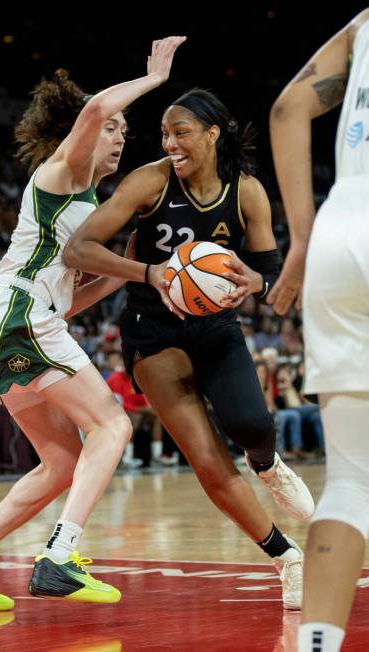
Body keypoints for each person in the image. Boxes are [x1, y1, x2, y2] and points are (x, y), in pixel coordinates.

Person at [0, 35, 186, 611]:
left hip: (10, 318)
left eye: (125, 129)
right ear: (85, 132)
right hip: (14, 312)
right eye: (115, 127)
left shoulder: (89, 206)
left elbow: (67, 306)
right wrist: (154, 77)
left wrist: (130, 268)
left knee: (63, 463)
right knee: (114, 427)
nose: (120, 134)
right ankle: (61, 556)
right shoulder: (63, 173)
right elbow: (95, 107)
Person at [63, 88, 316, 608]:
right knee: (204, 456)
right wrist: (149, 273)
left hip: (216, 324)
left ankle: (267, 464)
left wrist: (256, 283)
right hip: (152, 331)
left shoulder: (246, 192)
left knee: (251, 425)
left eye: (180, 132)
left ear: (212, 133)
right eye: (163, 134)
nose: (169, 143)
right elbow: (79, 248)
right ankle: (285, 557)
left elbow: (268, 272)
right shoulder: (149, 182)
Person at [269, 8, 369, 651]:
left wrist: (300, 239)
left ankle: (316, 646)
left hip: (342, 229)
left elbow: (286, 111)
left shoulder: (363, 22)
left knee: (352, 483)